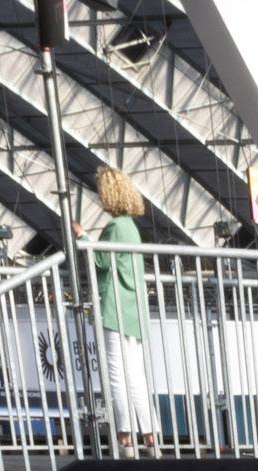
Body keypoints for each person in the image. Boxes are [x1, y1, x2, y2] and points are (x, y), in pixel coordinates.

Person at [86, 166, 161, 451]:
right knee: (136, 373)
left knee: (116, 372)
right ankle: (150, 432)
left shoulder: (115, 228)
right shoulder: (131, 227)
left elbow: (102, 262)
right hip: (133, 310)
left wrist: (82, 238)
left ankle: (125, 432)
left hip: (115, 308)